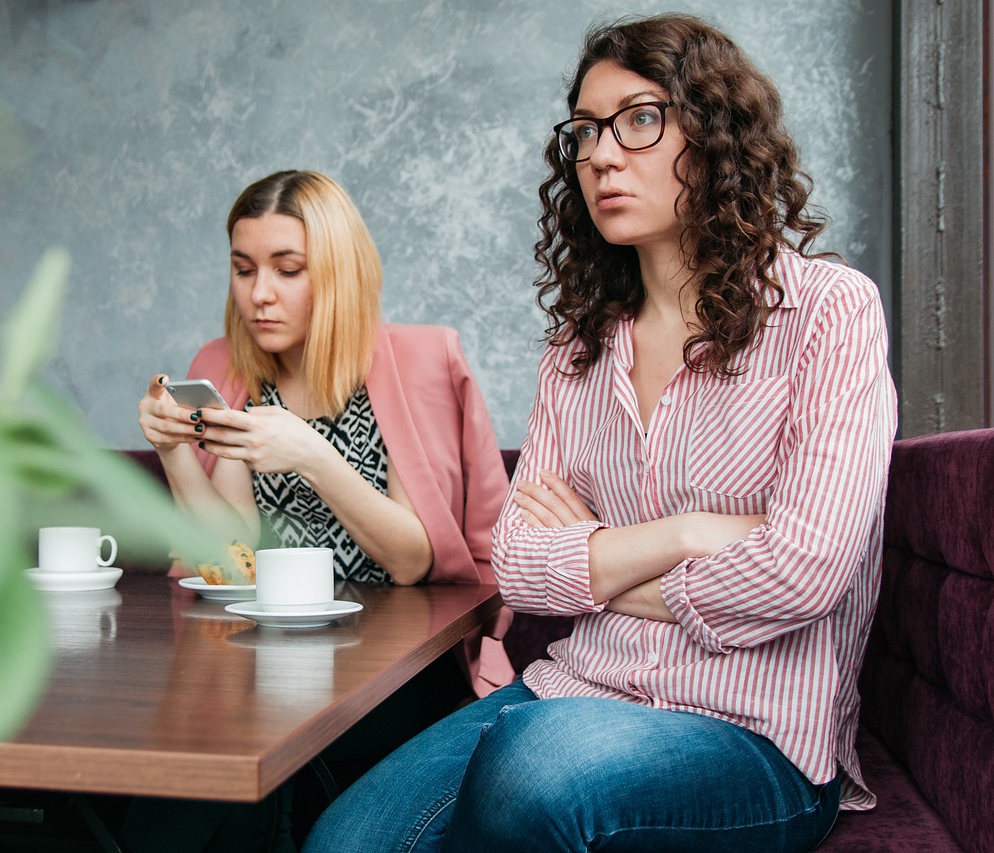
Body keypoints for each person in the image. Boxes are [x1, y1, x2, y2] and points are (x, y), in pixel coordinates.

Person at [303, 13, 897, 853]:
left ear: (716, 135)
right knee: (343, 840)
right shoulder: (577, 349)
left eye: (639, 120)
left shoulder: (828, 312)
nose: (603, 155)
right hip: (577, 686)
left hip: (757, 735)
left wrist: (598, 561)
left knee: (535, 769)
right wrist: (687, 534)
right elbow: (519, 564)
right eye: (585, 131)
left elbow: (804, 572)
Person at [137, 169, 514, 697]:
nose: (259, 294)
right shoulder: (224, 366)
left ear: (340, 274)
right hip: (260, 655)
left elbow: (411, 562)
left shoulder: (421, 362)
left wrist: (312, 456)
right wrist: (172, 449)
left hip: (399, 661)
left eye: (288, 270)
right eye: (243, 270)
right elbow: (230, 554)